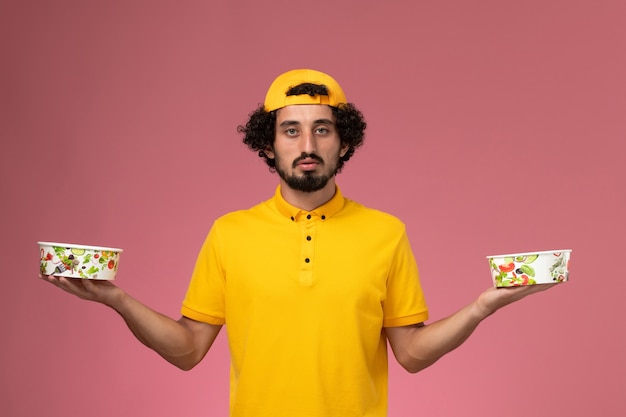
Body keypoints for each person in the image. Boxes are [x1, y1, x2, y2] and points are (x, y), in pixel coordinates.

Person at [41, 69, 554, 417]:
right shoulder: (229, 232)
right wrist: (117, 299)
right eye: (291, 130)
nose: (307, 146)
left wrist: (483, 307)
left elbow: (412, 355)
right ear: (268, 143)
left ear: (344, 141)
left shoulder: (386, 233)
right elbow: (188, 349)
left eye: (322, 130)